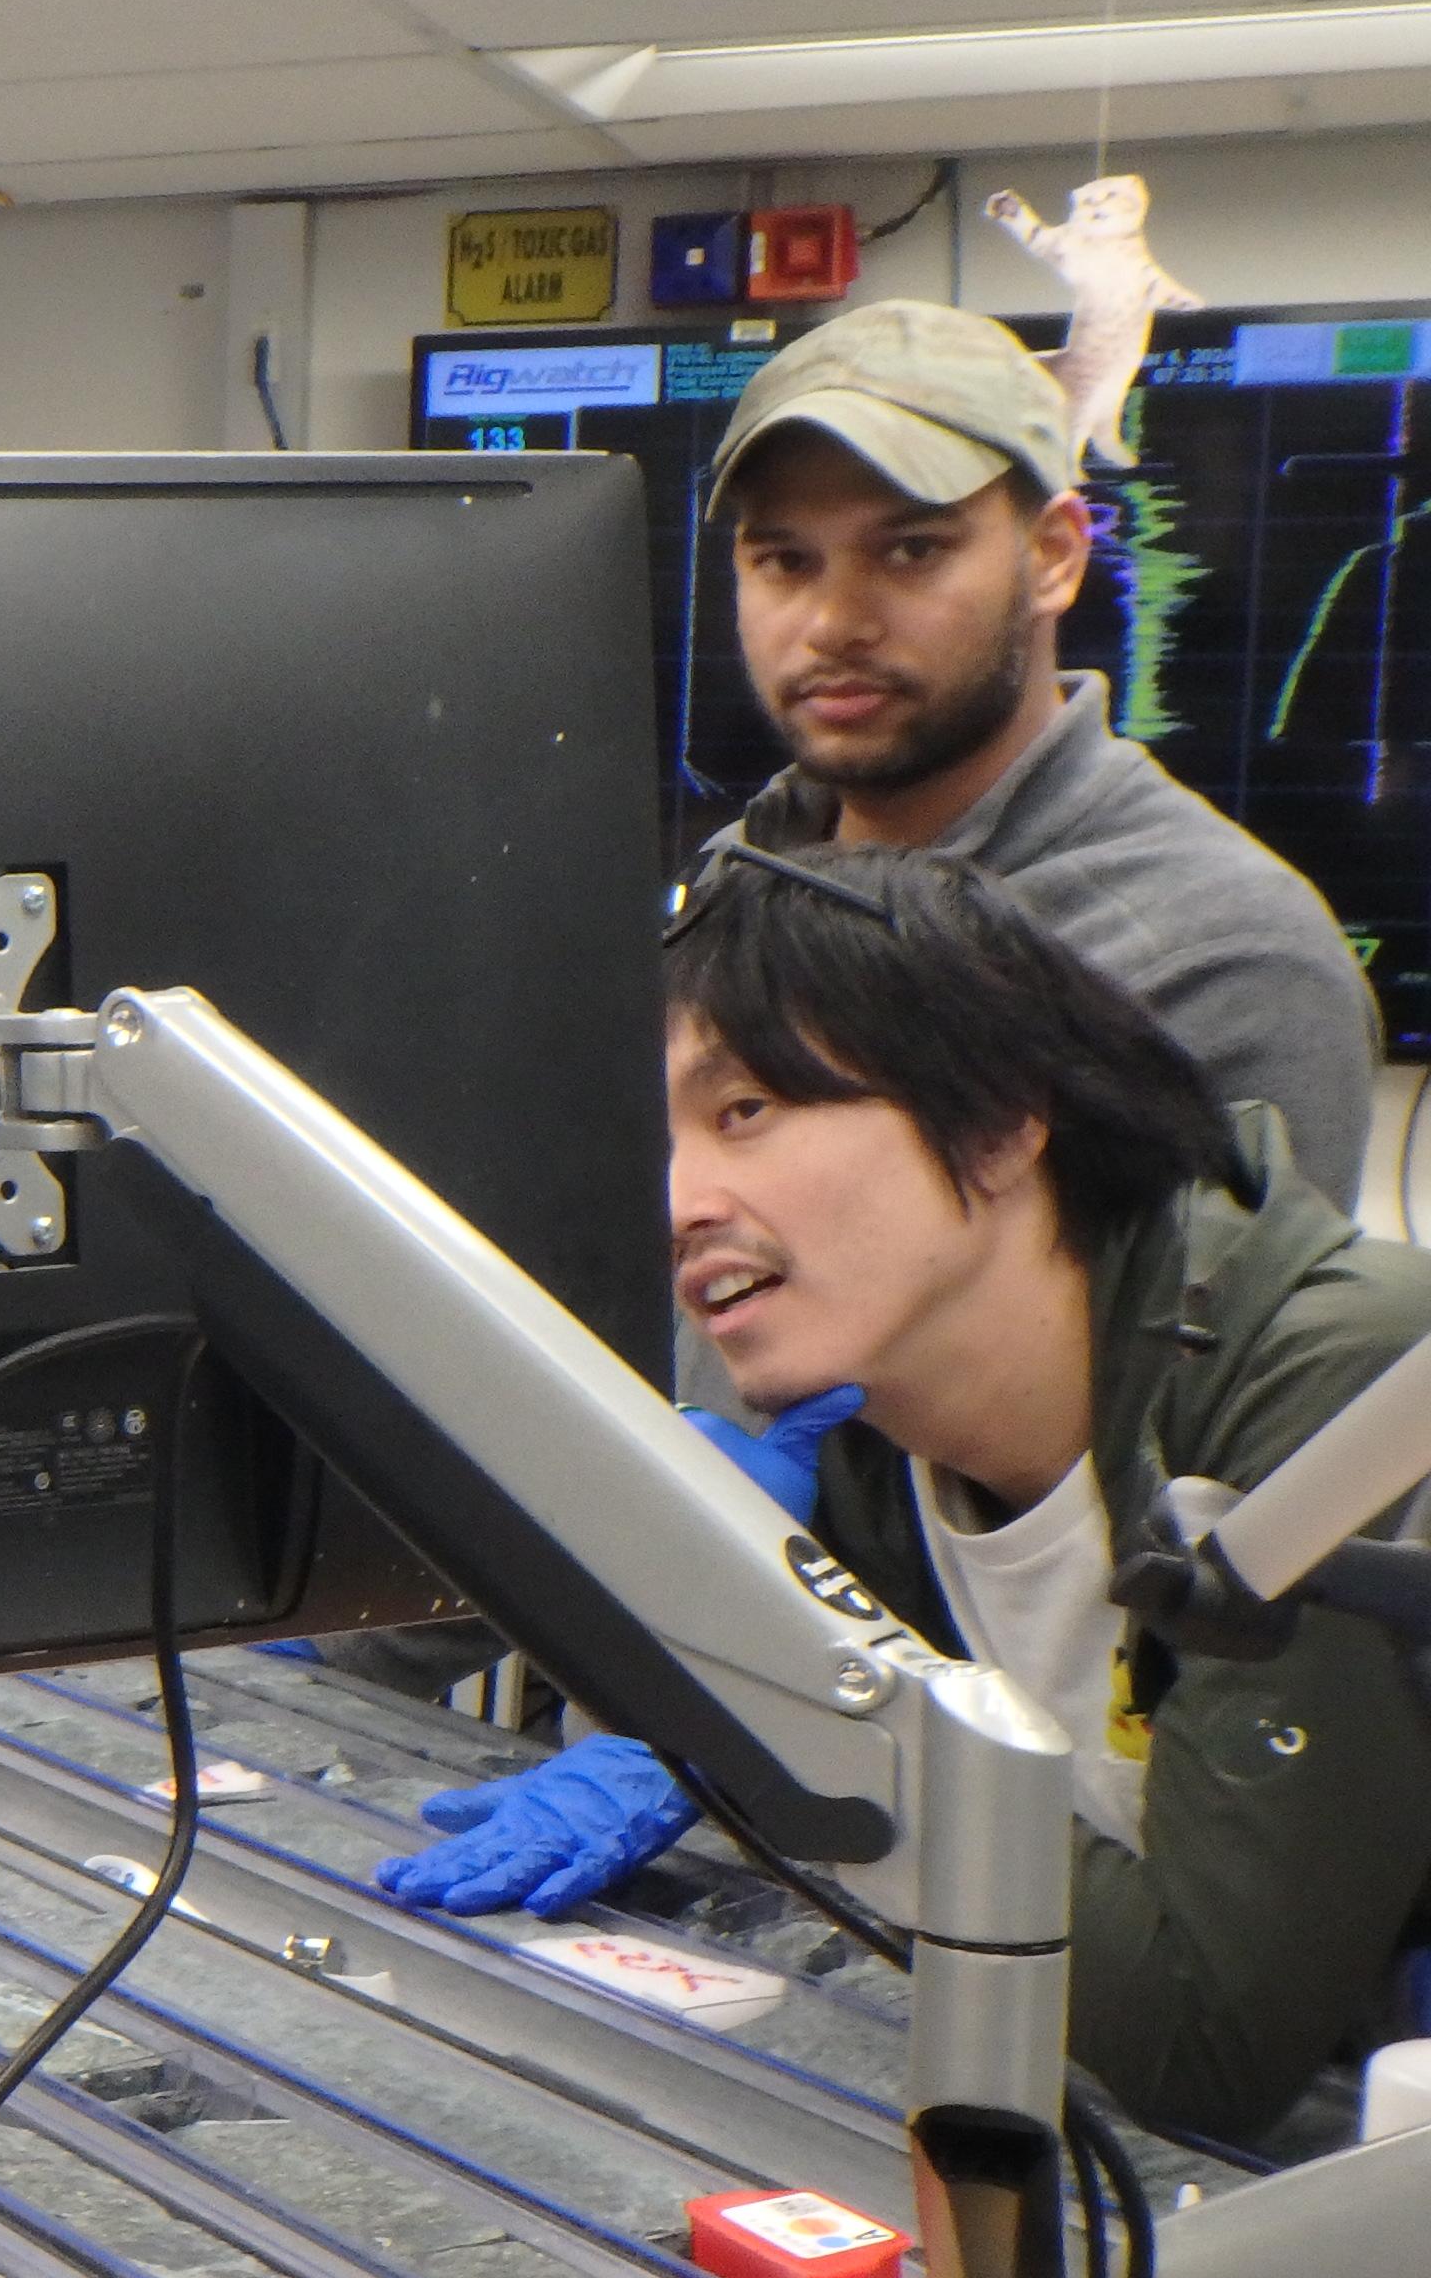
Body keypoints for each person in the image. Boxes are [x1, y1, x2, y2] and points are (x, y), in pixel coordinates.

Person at [381, 842, 1431, 2150]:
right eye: (662, 1143)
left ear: (998, 1120)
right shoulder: (869, 1431)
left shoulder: (1350, 1393)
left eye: (745, 1110)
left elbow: (1202, 2049)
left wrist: (792, 1692)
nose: (681, 1204)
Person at [713, 296, 1374, 1204]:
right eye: (786, 561)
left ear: (1056, 556)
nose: (832, 624)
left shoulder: (1223, 957)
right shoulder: (732, 880)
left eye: (911, 550)